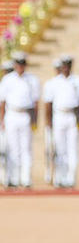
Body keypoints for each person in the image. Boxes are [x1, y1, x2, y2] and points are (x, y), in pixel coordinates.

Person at [42, 54, 79, 188]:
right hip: (59, 116)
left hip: (72, 116)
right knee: (60, 149)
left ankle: (70, 178)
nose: (66, 68)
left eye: (68, 65)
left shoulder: (77, 81)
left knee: (73, 149)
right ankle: (59, 177)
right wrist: (48, 123)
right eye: (64, 65)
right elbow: (48, 104)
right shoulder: (53, 82)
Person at [0, 52, 40, 188]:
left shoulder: (32, 79)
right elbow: (2, 102)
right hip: (12, 114)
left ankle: (26, 178)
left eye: (22, 64)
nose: (20, 66)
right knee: (12, 148)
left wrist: (35, 121)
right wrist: (2, 120)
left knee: (26, 148)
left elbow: (35, 103)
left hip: (25, 115)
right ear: (14, 65)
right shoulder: (7, 79)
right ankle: (14, 178)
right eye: (18, 64)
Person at [42, 58, 62, 184]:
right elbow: (48, 105)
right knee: (50, 150)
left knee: (60, 149)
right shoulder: (51, 84)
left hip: (64, 119)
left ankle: (59, 176)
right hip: (55, 119)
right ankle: (49, 173)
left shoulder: (68, 83)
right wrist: (48, 122)